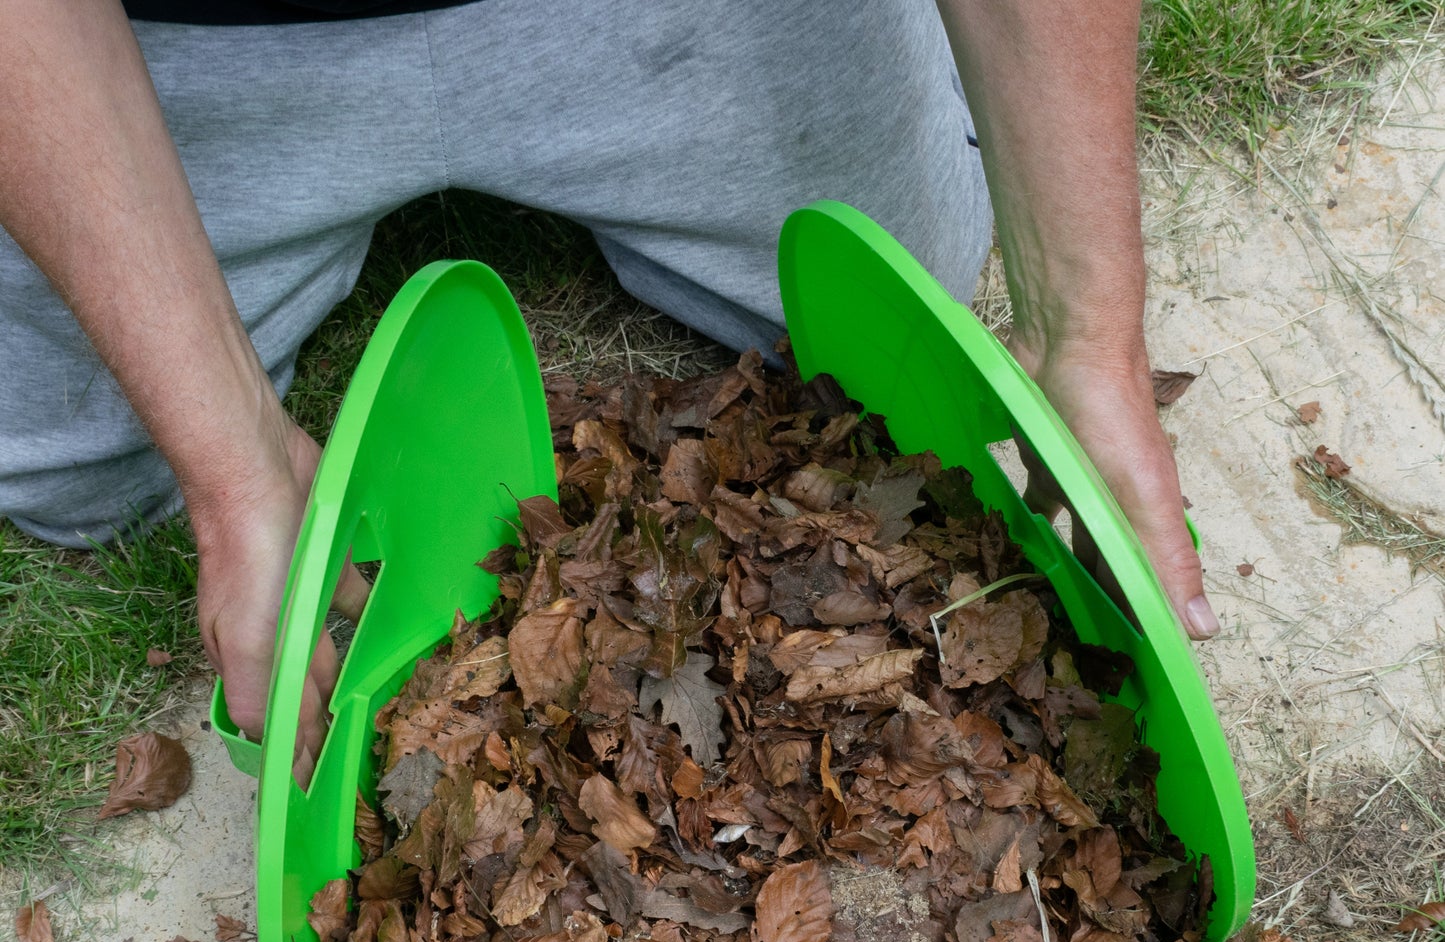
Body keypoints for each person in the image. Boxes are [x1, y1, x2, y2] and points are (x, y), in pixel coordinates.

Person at [0, 0, 1219, 774]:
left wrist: (1083, 326)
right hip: (192, 47)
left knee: (902, 269)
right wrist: (232, 473)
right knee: (76, 468)